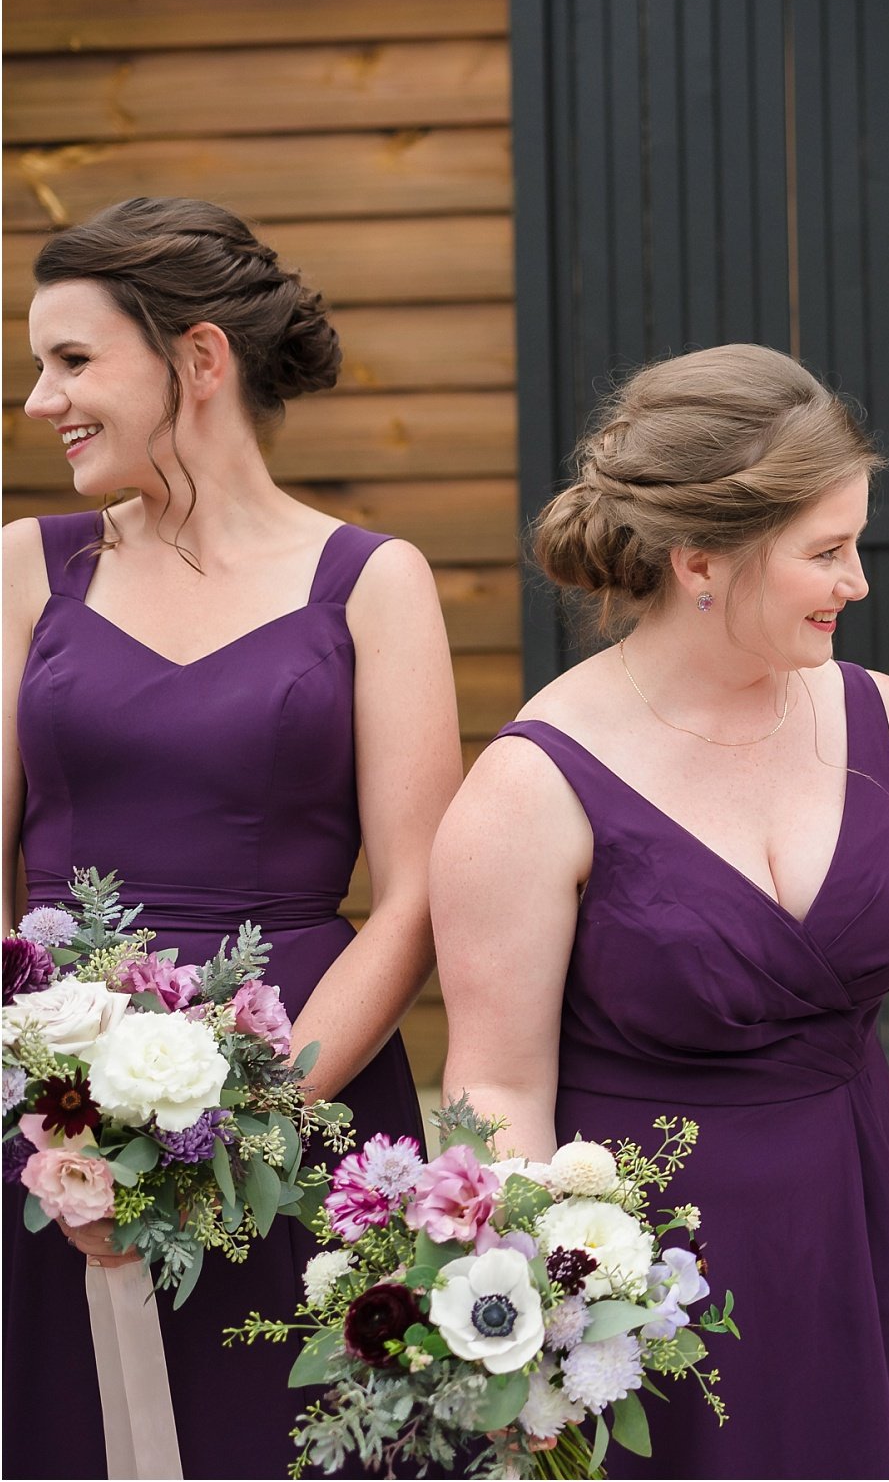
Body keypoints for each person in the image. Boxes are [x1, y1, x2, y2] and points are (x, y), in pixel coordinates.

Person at [432, 344, 889, 1477]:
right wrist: (548, 1318)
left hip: (857, 1223)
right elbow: (496, 1087)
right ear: (700, 562)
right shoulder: (531, 785)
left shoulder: (887, 719)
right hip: (651, 1277)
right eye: (827, 552)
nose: (857, 581)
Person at [3, 197, 458, 1477]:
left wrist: (231, 1128)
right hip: (51, 1119)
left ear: (200, 360)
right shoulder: (29, 571)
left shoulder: (373, 580)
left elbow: (417, 892)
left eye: (74, 361)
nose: (42, 400)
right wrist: (64, 1117)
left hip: (302, 1099)